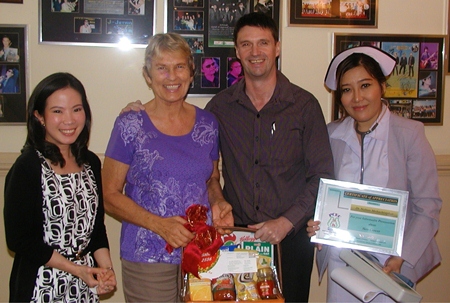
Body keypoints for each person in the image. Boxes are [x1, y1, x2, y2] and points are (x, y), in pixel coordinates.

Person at [205, 13, 334, 302]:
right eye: (246, 44)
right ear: (237, 52)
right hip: (237, 239)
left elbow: (322, 176)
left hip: (291, 239)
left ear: (277, 47)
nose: (255, 52)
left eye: (263, 42)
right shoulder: (219, 108)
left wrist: (286, 222)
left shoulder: (304, 106)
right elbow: (206, 168)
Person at [102, 33, 233, 302]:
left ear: (191, 72)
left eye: (179, 67)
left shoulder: (208, 124)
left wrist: (219, 203)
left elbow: (211, 180)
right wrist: (160, 226)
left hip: (202, 255)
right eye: (161, 68)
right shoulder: (130, 124)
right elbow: (109, 195)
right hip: (148, 257)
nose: (171, 76)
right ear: (148, 76)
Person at [307, 46, 442, 302]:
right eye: (347, 90)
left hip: (390, 265)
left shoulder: (409, 134)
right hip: (342, 262)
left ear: (382, 86)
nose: (357, 98)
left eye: (365, 85)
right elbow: (322, 194)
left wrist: (402, 256)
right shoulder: (331, 135)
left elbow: (428, 206)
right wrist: (318, 224)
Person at [4, 72, 117, 302]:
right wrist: (76, 270)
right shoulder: (27, 167)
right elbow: (19, 240)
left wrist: (106, 269)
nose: (69, 120)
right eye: (57, 111)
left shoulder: (91, 162)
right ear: (40, 117)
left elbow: (95, 230)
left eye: (77, 109)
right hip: (41, 283)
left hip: (83, 285)